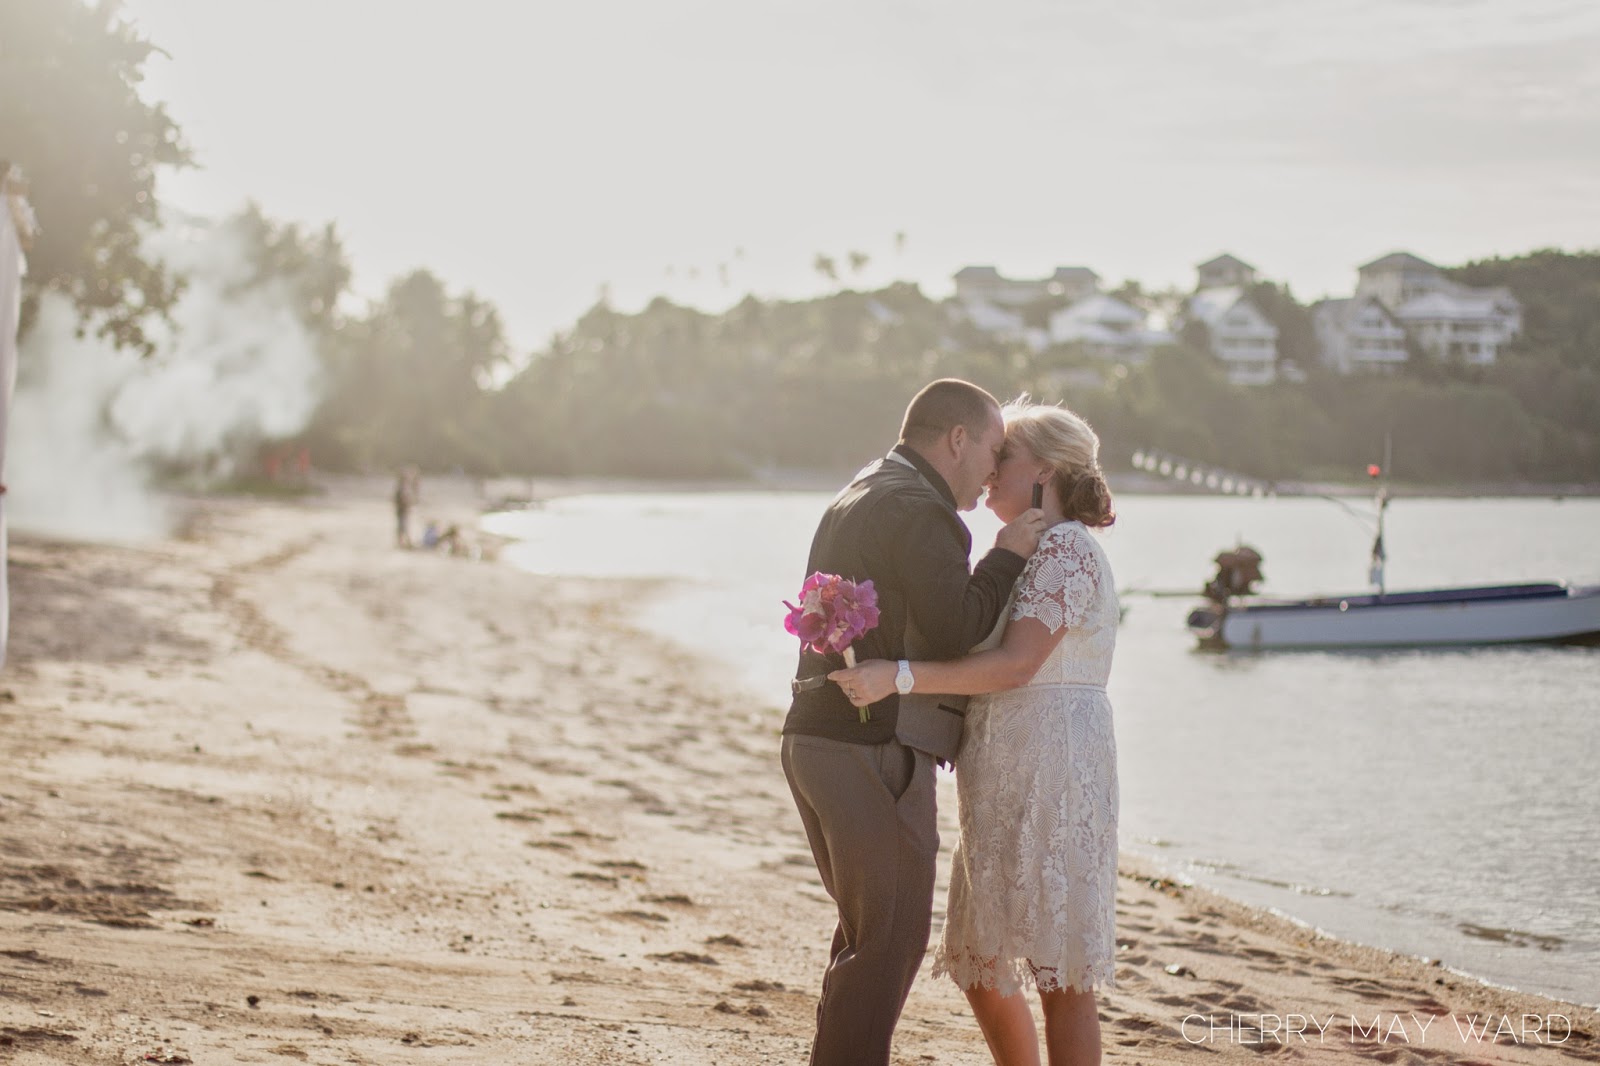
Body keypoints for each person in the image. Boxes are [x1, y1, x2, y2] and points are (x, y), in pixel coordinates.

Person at [830, 398, 1120, 1066]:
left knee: (1060, 975)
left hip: (1055, 764)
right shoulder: (1024, 547)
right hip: (999, 763)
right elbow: (964, 633)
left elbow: (1017, 665)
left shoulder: (1069, 549)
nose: (989, 472)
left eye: (1004, 457)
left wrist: (896, 677)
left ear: (1045, 468)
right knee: (980, 965)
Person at [782, 379, 1048, 1066]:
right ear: (957, 439)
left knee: (866, 936)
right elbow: (955, 629)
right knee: (890, 941)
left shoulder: (863, 488)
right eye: (992, 448)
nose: (993, 469)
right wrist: (1008, 554)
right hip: (869, 749)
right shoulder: (922, 511)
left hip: (813, 736)